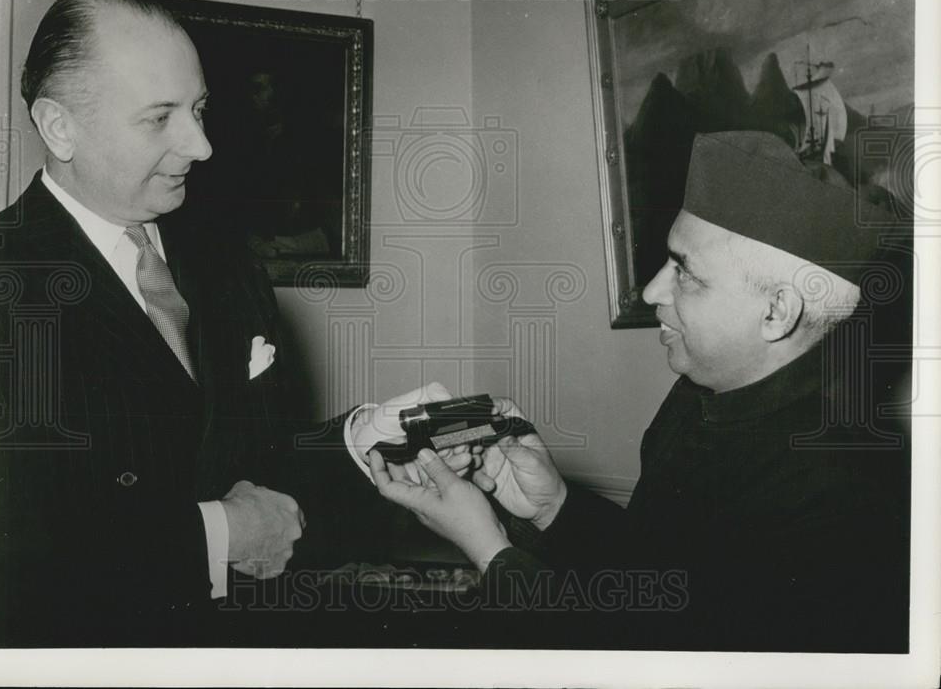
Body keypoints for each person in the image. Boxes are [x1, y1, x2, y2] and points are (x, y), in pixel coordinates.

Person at [364, 131, 911, 652]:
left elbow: (650, 662)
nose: (652, 290)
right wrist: (554, 507)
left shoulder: (845, 494)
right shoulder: (700, 393)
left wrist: (490, 551)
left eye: (684, 272)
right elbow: (663, 584)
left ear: (776, 312)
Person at [0, 0, 307, 646]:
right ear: (58, 126)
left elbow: (249, 457)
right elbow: (2, 553)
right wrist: (221, 532)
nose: (203, 145)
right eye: (159, 117)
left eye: (199, 107)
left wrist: (365, 443)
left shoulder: (227, 264)